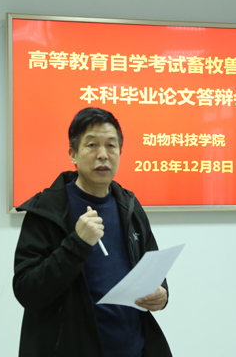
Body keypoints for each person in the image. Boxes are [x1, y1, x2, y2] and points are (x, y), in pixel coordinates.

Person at [13, 107, 172, 357]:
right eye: (92, 145)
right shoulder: (47, 211)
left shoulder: (129, 206)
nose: (103, 155)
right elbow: (27, 291)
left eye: (111, 145)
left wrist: (161, 294)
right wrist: (77, 243)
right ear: (73, 154)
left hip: (132, 349)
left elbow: (151, 268)